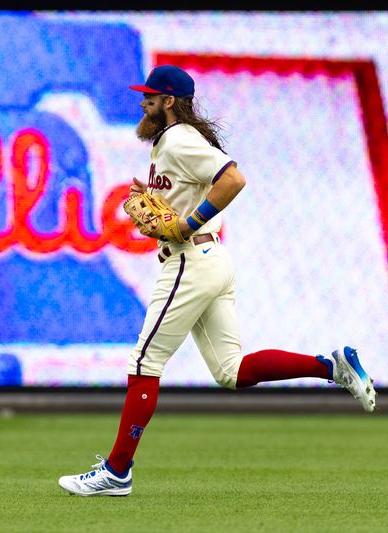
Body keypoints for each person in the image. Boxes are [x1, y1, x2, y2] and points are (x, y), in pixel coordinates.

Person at [57, 65, 378, 497]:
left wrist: (189, 221)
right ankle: (331, 365)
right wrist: (160, 198)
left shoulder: (179, 138)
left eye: (151, 97)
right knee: (231, 371)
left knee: (143, 364)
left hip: (190, 261)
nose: (143, 102)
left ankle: (117, 472)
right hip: (210, 260)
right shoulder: (172, 142)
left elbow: (233, 179)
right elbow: (198, 183)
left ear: (170, 102)